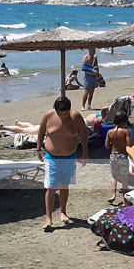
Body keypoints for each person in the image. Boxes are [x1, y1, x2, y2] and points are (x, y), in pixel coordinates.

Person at [36, 96, 88, 232]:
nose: (63, 116)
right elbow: (41, 133)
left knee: (64, 185)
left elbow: (83, 135)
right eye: (60, 114)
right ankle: (48, 218)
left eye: (65, 113)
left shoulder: (76, 116)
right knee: (51, 186)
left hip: (69, 156)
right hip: (51, 157)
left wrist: (85, 153)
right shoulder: (48, 116)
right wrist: (38, 149)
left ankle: (63, 212)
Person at [105, 111, 132, 203]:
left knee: (114, 176)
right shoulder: (125, 131)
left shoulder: (110, 132)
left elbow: (107, 146)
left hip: (114, 155)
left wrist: (114, 143)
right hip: (122, 155)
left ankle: (113, 194)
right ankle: (125, 198)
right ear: (124, 122)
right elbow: (129, 144)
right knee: (124, 178)